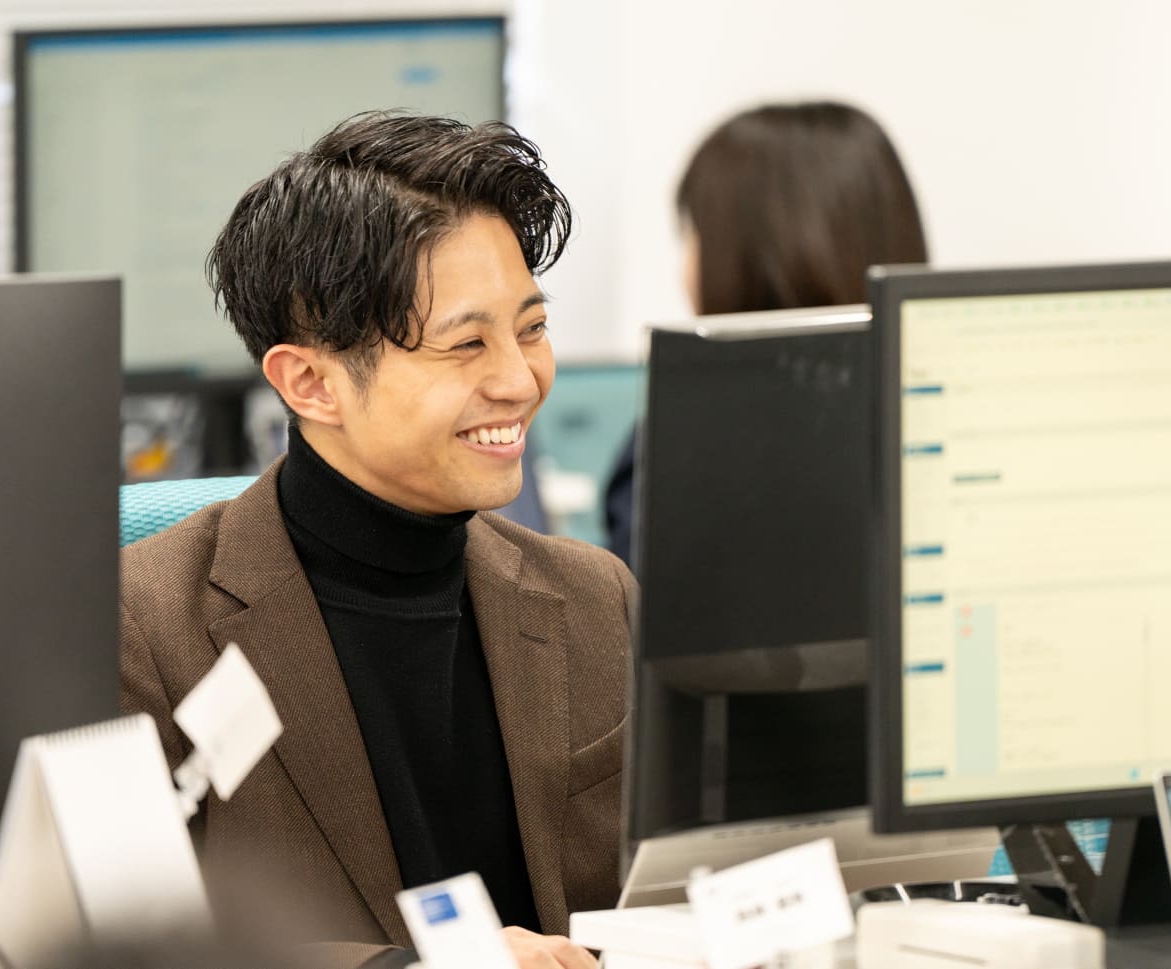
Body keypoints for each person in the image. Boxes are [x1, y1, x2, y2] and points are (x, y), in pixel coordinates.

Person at [121, 112, 631, 969]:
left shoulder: (594, 598)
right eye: (467, 343)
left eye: (532, 329)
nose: (519, 379)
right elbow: (121, 949)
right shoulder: (143, 633)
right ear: (310, 382)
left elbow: (680, 896)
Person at [605, 101, 928, 564]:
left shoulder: (686, 438)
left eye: (692, 235)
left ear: (742, 259)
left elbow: (626, 598)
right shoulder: (940, 410)